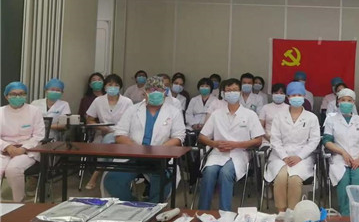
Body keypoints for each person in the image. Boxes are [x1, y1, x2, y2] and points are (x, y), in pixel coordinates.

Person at [104, 76, 186, 202]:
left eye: (159, 89)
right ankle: (131, 205)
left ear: (165, 92)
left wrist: (159, 150)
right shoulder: (133, 109)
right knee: (112, 180)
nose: (155, 92)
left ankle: (152, 208)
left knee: (162, 183)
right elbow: (120, 134)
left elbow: (179, 137)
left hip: (160, 158)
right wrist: (137, 148)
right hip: (134, 156)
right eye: (152, 89)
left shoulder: (173, 112)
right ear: (145, 92)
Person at [198, 78, 264, 211]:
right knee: (209, 172)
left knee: (226, 173)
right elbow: (202, 136)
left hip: (240, 153)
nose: (231, 93)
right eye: (228, 91)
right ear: (223, 94)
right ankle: (202, 211)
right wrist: (214, 143)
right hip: (218, 153)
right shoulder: (217, 114)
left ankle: (225, 213)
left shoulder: (250, 114)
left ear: (240, 92)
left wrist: (236, 144)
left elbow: (258, 140)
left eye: (234, 90)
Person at [266, 82, 320, 212]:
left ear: (304, 97)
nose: (297, 97)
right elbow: (275, 139)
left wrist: (299, 157)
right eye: (293, 95)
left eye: (299, 95)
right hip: (280, 156)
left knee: (294, 179)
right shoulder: (279, 116)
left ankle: (292, 213)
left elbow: (314, 140)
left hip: (303, 157)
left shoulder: (311, 117)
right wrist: (284, 157)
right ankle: (281, 212)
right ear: (288, 97)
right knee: (280, 178)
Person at [323, 88, 359, 216]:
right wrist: (342, 152)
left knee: (358, 178)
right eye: (343, 100)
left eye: (349, 100)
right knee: (343, 179)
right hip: (339, 158)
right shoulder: (331, 120)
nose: (346, 103)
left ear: (353, 102)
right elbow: (327, 141)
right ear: (338, 102)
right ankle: (345, 215)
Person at [85, 74, 133, 190]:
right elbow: (89, 120)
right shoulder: (98, 101)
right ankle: (110, 177)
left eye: (116, 85)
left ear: (120, 87)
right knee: (105, 143)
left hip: (122, 135)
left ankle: (97, 173)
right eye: (110, 85)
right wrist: (101, 128)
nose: (113, 87)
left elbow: (132, 121)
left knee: (108, 142)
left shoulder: (127, 102)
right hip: (102, 133)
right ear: (105, 86)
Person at [0, 82, 46, 202]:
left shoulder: (34, 111)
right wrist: (7, 146)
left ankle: (18, 201)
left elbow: (39, 135)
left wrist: (23, 148)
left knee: (13, 170)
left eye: (21, 94)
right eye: (13, 94)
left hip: (27, 150)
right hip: (4, 150)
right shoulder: (1, 112)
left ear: (26, 95)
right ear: (6, 96)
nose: (17, 97)